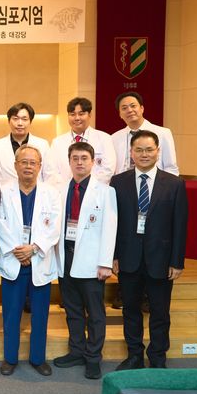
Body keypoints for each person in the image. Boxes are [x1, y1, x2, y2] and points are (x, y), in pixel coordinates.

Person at [111, 130, 188, 370]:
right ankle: (134, 355)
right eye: (139, 150)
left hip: (161, 260)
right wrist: (113, 256)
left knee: (160, 313)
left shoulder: (174, 184)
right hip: (128, 258)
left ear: (158, 151)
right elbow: (112, 224)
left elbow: (180, 225)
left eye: (149, 149)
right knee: (130, 311)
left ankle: (157, 357)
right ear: (131, 153)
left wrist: (177, 261)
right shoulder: (118, 182)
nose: (144, 154)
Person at [0, 145, 61, 377]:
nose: (28, 167)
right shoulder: (3, 192)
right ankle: (10, 358)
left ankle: (37, 358)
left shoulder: (51, 193)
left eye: (33, 162)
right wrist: (19, 251)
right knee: (11, 315)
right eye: (24, 162)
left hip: (39, 260)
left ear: (40, 166)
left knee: (40, 315)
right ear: (15, 165)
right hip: (13, 260)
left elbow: (55, 227)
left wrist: (33, 249)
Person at [53, 142, 117, 380]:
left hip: (92, 262)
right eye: (75, 158)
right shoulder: (60, 190)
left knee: (95, 313)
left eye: (84, 158)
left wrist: (105, 263)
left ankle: (93, 357)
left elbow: (110, 228)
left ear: (93, 162)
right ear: (69, 161)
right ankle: (76, 351)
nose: (79, 162)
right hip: (66, 257)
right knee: (72, 310)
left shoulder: (105, 191)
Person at [49, 97, 116, 185]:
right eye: (72, 114)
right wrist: (69, 188)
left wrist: (86, 188)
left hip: (96, 190)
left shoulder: (104, 138)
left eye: (81, 114)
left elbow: (108, 169)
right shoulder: (57, 142)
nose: (77, 118)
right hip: (65, 190)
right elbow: (53, 171)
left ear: (90, 115)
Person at [0, 102, 55, 186]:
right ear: (9, 121)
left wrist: (44, 193)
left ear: (30, 121)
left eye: (24, 119)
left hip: (36, 193)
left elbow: (50, 175)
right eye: (15, 119)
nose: (20, 123)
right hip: (5, 193)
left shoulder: (42, 145)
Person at [112, 91, 179, 176]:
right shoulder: (114, 138)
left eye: (133, 106)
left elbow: (171, 167)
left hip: (155, 182)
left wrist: (165, 184)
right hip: (123, 182)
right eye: (124, 108)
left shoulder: (163, 133)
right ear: (120, 114)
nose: (129, 110)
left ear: (142, 109)